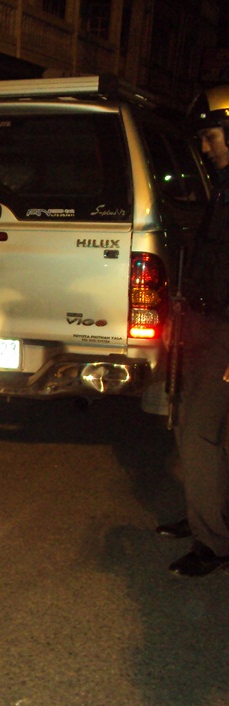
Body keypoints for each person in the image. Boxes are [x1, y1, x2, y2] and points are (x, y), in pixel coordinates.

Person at [157, 85, 229, 577]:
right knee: (188, 423)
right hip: (203, 323)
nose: (204, 148)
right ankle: (208, 512)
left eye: (211, 137)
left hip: (225, 330)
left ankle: (215, 540)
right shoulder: (222, 188)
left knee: (202, 429)